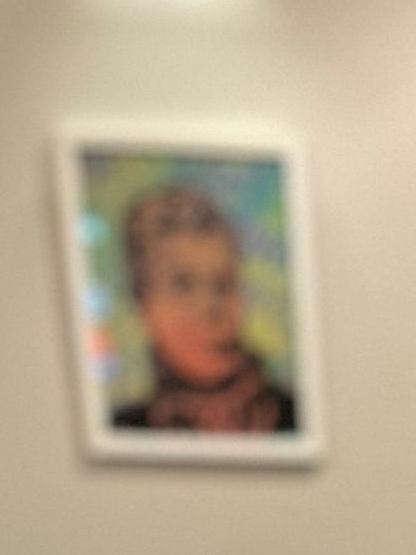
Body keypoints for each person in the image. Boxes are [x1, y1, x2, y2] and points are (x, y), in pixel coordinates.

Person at [112, 183, 297, 436]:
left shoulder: (293, 417)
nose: (211, 308)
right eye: (183, 286)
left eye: (223, 285)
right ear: (143, 304)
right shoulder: (126, 430)